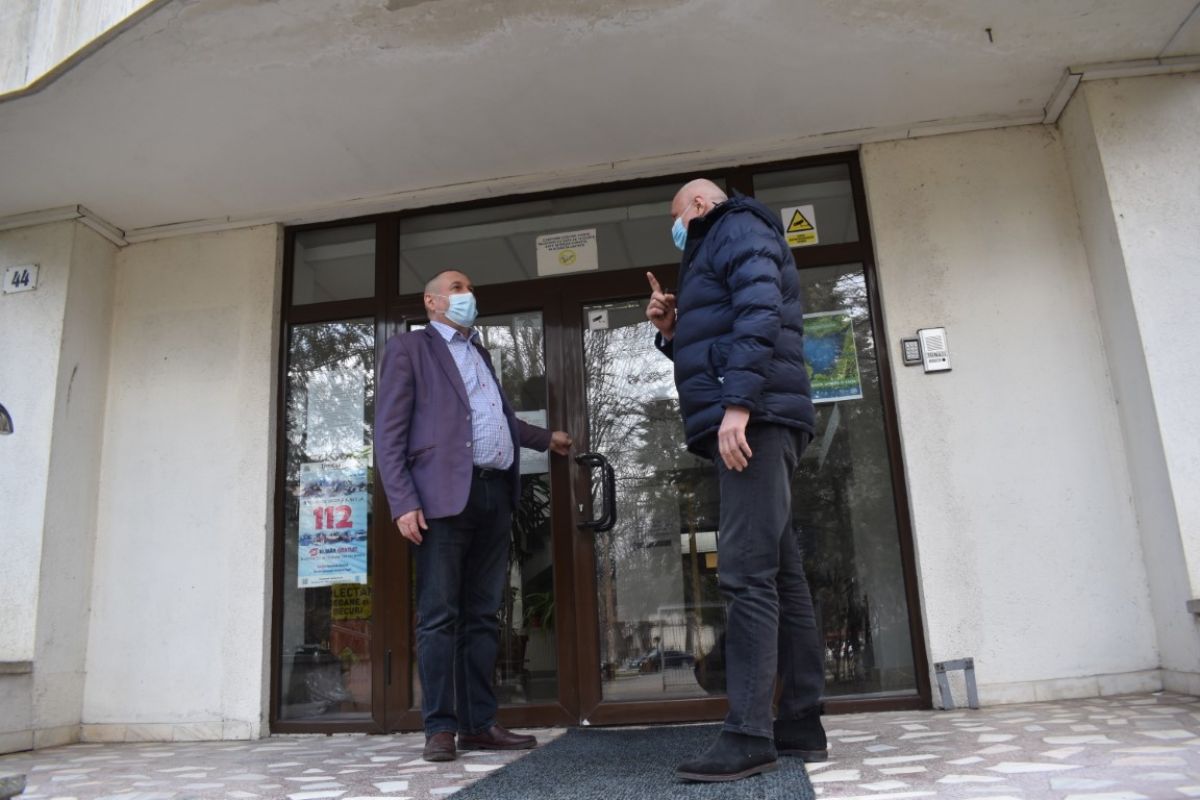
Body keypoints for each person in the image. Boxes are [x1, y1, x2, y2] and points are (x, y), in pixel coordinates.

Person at [646, 179, 827, 782]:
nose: (676, 229)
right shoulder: (723, 240)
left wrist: (739, 405)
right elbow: (721, 339)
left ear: (699, 205)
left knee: (746, 574)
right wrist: (673, 332)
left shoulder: (737, 227)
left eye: (677, 216)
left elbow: (760, 312)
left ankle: (750, 733)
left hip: (757, 419)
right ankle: (800, 720)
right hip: (761, 413)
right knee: (781, 574)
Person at [375, 269, 571, 763]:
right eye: (458, 288)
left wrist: (546, 439)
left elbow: (496, 420)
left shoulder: (479, 353)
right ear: (432, 301)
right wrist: (403, 501)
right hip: (440, 499)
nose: (469, 295)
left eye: (470, 288)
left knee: (483, 616)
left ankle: (479, 725)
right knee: (440, 615)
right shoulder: (410, 349)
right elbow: (388, 433)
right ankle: (440, 728)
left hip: (493, 494)